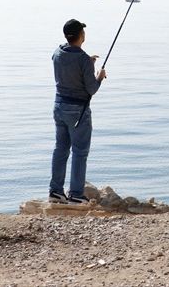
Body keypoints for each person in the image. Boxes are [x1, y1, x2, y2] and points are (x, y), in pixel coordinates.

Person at [49, 18, 106, 204]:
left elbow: (68, 66)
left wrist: (86, 64)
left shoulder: (58, 52)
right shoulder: (83, 59)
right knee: (80, 152)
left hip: (59, 106)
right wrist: (99, 76)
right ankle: (75, 194)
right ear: (81, 35)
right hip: (78, 110)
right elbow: (92, 89)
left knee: (61, 149)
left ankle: (56, 192)